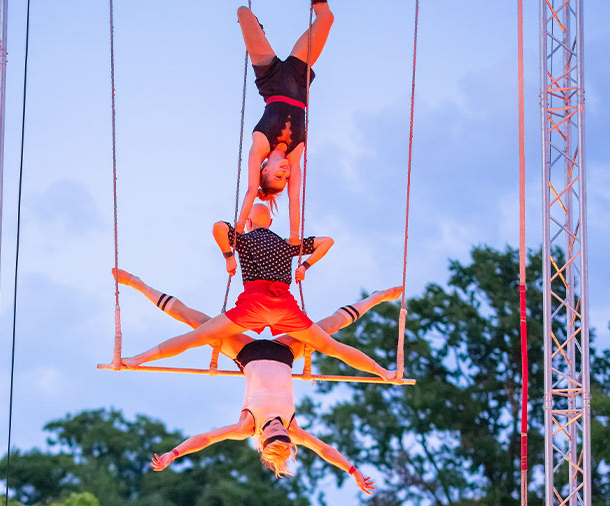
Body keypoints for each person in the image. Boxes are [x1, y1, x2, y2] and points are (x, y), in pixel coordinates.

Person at [111, 268, 399, 493]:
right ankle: (375, 298)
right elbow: (324, 450)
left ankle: (139, 284)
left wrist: (173, 454)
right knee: (331, 328)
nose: (277, 427)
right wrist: (354, 471)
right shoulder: (293, 428)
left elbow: (207, 438)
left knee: (196, 323)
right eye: (282, 433)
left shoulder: (246, 426)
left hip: (247, 354)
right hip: (286, 353)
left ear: (262, 441)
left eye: (273, 433)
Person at [122, 204, 397, 384]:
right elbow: (328, 242)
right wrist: (304, 266)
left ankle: (139, 356)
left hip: (254, 305)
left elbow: (218, 227)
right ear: (271, 221)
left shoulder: (245, 238)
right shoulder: (287, 244)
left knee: (196, 333)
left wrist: (229, 255)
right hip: (283, 305)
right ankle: (383, 369)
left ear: (250, 221)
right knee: (332, 344)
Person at [235, 0, 335, 244]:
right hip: (298, 77)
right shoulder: (294, 154)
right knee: (326, 17)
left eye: (278, 177)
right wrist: (293, 237)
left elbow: (250, 191)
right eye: (286, 178)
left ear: (264, 170)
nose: (286, 174)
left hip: (270, 77)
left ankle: (258, 30)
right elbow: (294, 199)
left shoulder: (260, 146)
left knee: (243, 13)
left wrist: (238, 230)